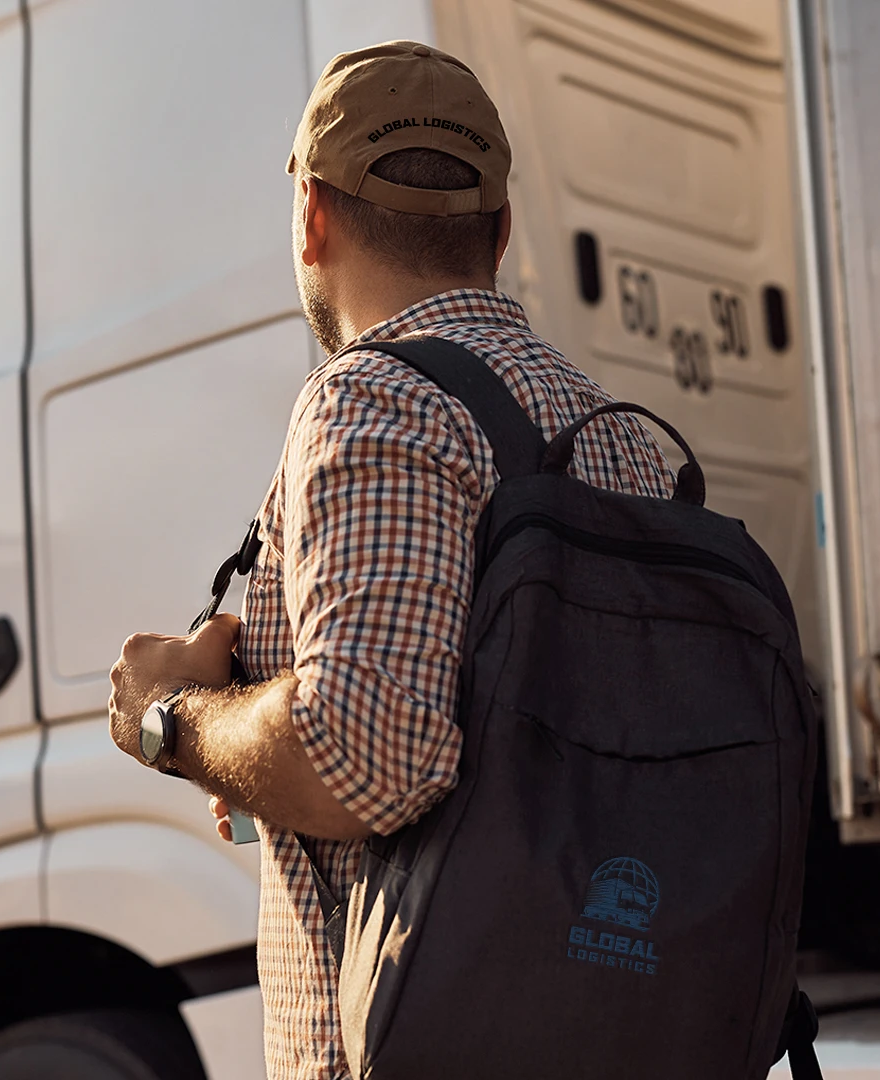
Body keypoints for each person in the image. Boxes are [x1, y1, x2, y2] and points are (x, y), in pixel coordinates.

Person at [107, 41, 673, 1080]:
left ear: (312, 217)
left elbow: (365, 760)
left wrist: (172, 719)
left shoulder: (372, 402)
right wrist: (258, 733)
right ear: (500, 229)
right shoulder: (620, 433)